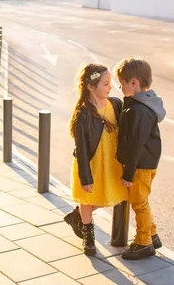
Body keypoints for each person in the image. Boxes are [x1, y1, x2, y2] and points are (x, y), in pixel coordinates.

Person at [63, 63, 128, 256]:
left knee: (117, 194)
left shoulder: (115, 104)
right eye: (106, 84)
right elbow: (81, 149)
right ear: (91, 87)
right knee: (88, 198)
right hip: (91, 163)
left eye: (110, 83)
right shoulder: (82, 115)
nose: (110, 87)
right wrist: (85, 177)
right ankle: (87, 234)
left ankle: (78, 216)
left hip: (111, 162)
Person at [115, 58, 166, 260]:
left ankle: (143, 243)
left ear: (134, 83)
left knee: (139, 203)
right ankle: (152, 235)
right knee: (141, 200)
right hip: (145, 162)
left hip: (140, 165)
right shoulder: (142, 104)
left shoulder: (139, 110)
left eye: (122, 84)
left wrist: (128, 172)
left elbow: (136, 143)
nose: (120, 88)